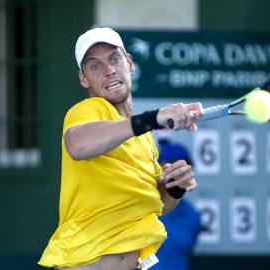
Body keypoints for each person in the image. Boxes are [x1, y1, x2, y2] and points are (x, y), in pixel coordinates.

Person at [38, 27, 203, 270]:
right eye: (95, 66)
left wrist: (176, 187)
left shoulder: (143, 139)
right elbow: (77, 144)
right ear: (84, 79)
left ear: (129, 63)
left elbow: (156, 205)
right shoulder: (87, 111)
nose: (109, 70)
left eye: (114, 59)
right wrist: (152, 119)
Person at [151, 139, 202, 270]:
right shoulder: (141, 209)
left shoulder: (192, 216)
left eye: (183, 170)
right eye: (171, 169)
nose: (178, 175)